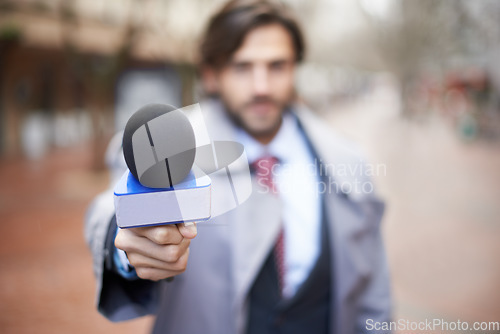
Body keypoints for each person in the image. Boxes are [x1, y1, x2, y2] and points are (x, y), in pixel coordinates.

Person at [85, 1, 392, 333]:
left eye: (276, 66)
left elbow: (373, 293)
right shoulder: (165, 145)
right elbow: (111, 207)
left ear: (294, 69)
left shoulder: (346, 159)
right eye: (242, 67)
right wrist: (127, 240)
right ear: (211, 75)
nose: (261, 86)